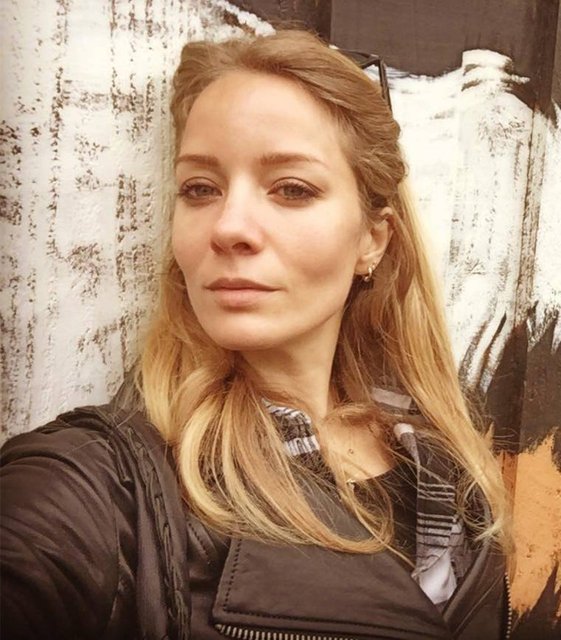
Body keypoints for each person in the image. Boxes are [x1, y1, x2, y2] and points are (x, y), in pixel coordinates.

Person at [1, 28, 514, 639]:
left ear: (372, 239)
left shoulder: (443, 466)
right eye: (200, 189)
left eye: (291, 189)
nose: (228, 227)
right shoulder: (98, 486)